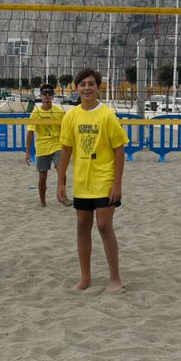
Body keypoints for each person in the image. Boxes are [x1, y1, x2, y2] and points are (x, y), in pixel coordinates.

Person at [56, 68, 127, 293]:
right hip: (82, 182)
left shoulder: (106, 115)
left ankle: (115, 279)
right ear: (76, 88)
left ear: (98, 87)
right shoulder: (71, 116)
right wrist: (60, 181)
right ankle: (85, 278)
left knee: (104, 226)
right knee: (82, 227)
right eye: (82, 84)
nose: (87, 88)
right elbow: (66, 150)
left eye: (91, 84)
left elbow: (119, 150)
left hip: (104, 179)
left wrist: (117, 184)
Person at [24, 83, 69, 206]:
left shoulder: (59, 112)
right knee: (42, 177)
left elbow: (66, 131)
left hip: (57, 145)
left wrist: (69, 147)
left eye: (50, 93)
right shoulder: (36, 113)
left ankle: (63, 196)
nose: (47, 96)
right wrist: (28, 152)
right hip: (42, 146)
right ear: (41, 95)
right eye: (45, 93)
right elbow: (30, 133)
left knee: (62, 173)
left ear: (53, 96)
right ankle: (43, 202)